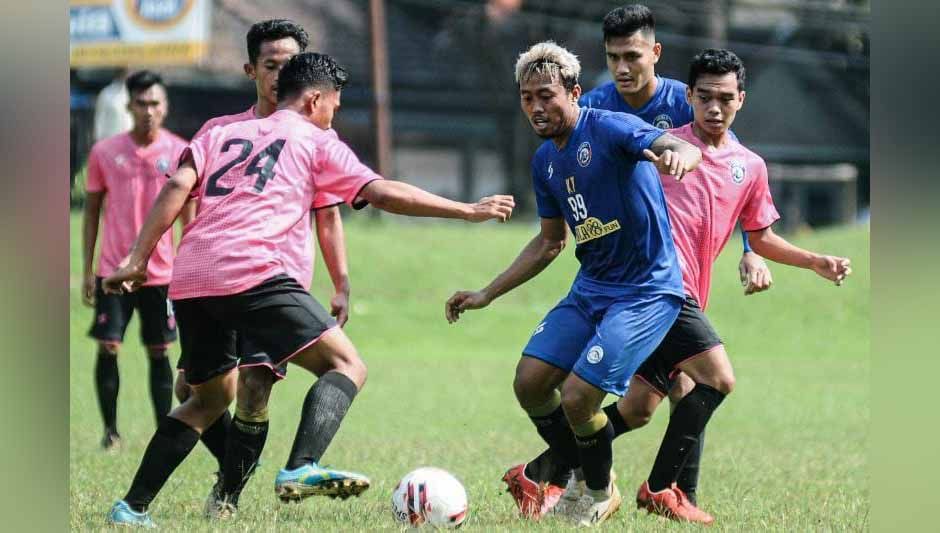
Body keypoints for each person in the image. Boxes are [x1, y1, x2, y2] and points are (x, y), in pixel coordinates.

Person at [104, 52, 515, 527]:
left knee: (206, 400)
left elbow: (177, 186)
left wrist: (137, 258)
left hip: (193, 275)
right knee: (347, 365)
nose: (333, 117)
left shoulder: (220, 130)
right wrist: (466, 210)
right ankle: (301, 465)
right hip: (253, 271)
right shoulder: (316, 139)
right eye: (334, 107)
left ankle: (131, 508)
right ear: (315, 99)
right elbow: (380, 191)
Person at [521, 48, 853, 524]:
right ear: (689, 97)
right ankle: (660, 490)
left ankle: (550, 470)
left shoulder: (750, 166)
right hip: (655, 294)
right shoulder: (659, 147)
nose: (714, 108)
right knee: (713, 379)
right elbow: (627, 182)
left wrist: (803, 259)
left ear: (742, 100)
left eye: (725, 99)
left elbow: (758, 233)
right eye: (704, 97)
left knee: (639, 407)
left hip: (685, 293)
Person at [503, 5, 772, 514]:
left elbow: (729, 168)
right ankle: (658, 492)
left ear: (655, 54)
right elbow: (552, 232)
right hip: (641, 279)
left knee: (654, 398)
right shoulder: (593, 110)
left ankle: (555, 473)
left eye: (633, 56)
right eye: (613, 58)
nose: (624, 68)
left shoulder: (685, 100)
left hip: (666, 271)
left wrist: (749, 248)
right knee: (681, 387)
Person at [445, 41, 702, 526]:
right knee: (530, 383)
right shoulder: (545, 161)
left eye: (547, 95)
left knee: (580, 396)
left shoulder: (609, 127)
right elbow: (548, 243)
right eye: (527, 98)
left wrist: (679, 157)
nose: (537, 107)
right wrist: (486, 293)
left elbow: (675, 145)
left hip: (646, 290)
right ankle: (586, 471)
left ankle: (598, 491)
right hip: (592, 289)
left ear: (575, 93)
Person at [173, 20, 355, 517]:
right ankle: (233, 470)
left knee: (254, 390)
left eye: (288, 65)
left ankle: (226, 497)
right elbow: (187, 200)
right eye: (270, 65)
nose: (279, 75)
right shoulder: (226, 132)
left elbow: (329, 214)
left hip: (275, 280)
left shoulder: (316, 137)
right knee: (196, 389)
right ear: (251, 70)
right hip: (213, 275)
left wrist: (340, 282)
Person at [82, 70, 188, 451]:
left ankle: (163, 432)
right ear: (128, 106)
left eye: (155, 103)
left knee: (160, 352)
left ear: (166, 107)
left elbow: (189, 219)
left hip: (161, 275)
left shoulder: (180, 152)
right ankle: (110, 432)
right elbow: (92, 213)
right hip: (113, 271)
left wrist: (186, 270)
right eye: (141, 103)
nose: (148, 111)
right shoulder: (104, 152)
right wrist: (87, 271)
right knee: (108, 347)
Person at [94, 68, 134, 142]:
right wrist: (99, 141)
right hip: (111, 140)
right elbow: (99, 120)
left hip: (131, 143)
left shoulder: (134, 93)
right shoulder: (106, 93)